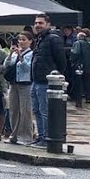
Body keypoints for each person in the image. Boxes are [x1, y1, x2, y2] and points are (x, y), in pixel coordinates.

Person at [29, 13, 69, 148]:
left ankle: (46, 138)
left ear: (48, 24)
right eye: (36, 23)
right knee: (37, 110)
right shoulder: (40, 39)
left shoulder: (53, 39)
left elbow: (62, 61)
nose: (37, 25)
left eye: (40, 23)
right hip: (36, 80)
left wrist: (55, 77)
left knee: (44, 111)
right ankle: (41, 137)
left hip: (46, 81)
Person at [1, 33, 35, 144]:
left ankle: (25, 136)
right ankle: (14, 135)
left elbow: (28, 68)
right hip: (13, 83)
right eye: (20, 40)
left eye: (24, 39)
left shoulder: (31, 54)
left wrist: (21, 58)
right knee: (13, 110)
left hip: (25, 83)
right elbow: (6, 65)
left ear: (30, 41)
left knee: (24, 111)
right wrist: (11, 54)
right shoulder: (15, 53)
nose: (21, 42)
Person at [70, 31, 90, 106]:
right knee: (87, 82)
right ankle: (88, 98)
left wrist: (72, 61)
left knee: (78, 83)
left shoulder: (77, 43)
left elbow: (75, 53)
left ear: (79, 37)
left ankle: (78, 101)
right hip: (87, 66)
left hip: (79, 66)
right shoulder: (89, 44)